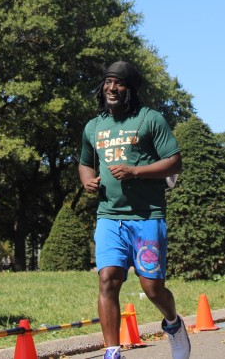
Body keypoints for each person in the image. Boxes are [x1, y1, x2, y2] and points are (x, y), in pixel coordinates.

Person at [79, 61, 191, 359]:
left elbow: (175, 162)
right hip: (109, 217)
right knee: (108, 279)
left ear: (130, 89)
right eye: (108, 82)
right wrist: (87, 180)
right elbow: (85, 162)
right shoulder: (94, 126)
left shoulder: (150, 119)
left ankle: (173, 323)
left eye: (119, 83)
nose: (112, 88)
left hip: (146, 217)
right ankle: (112, 351)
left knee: (152, 288)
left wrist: (135, 171)